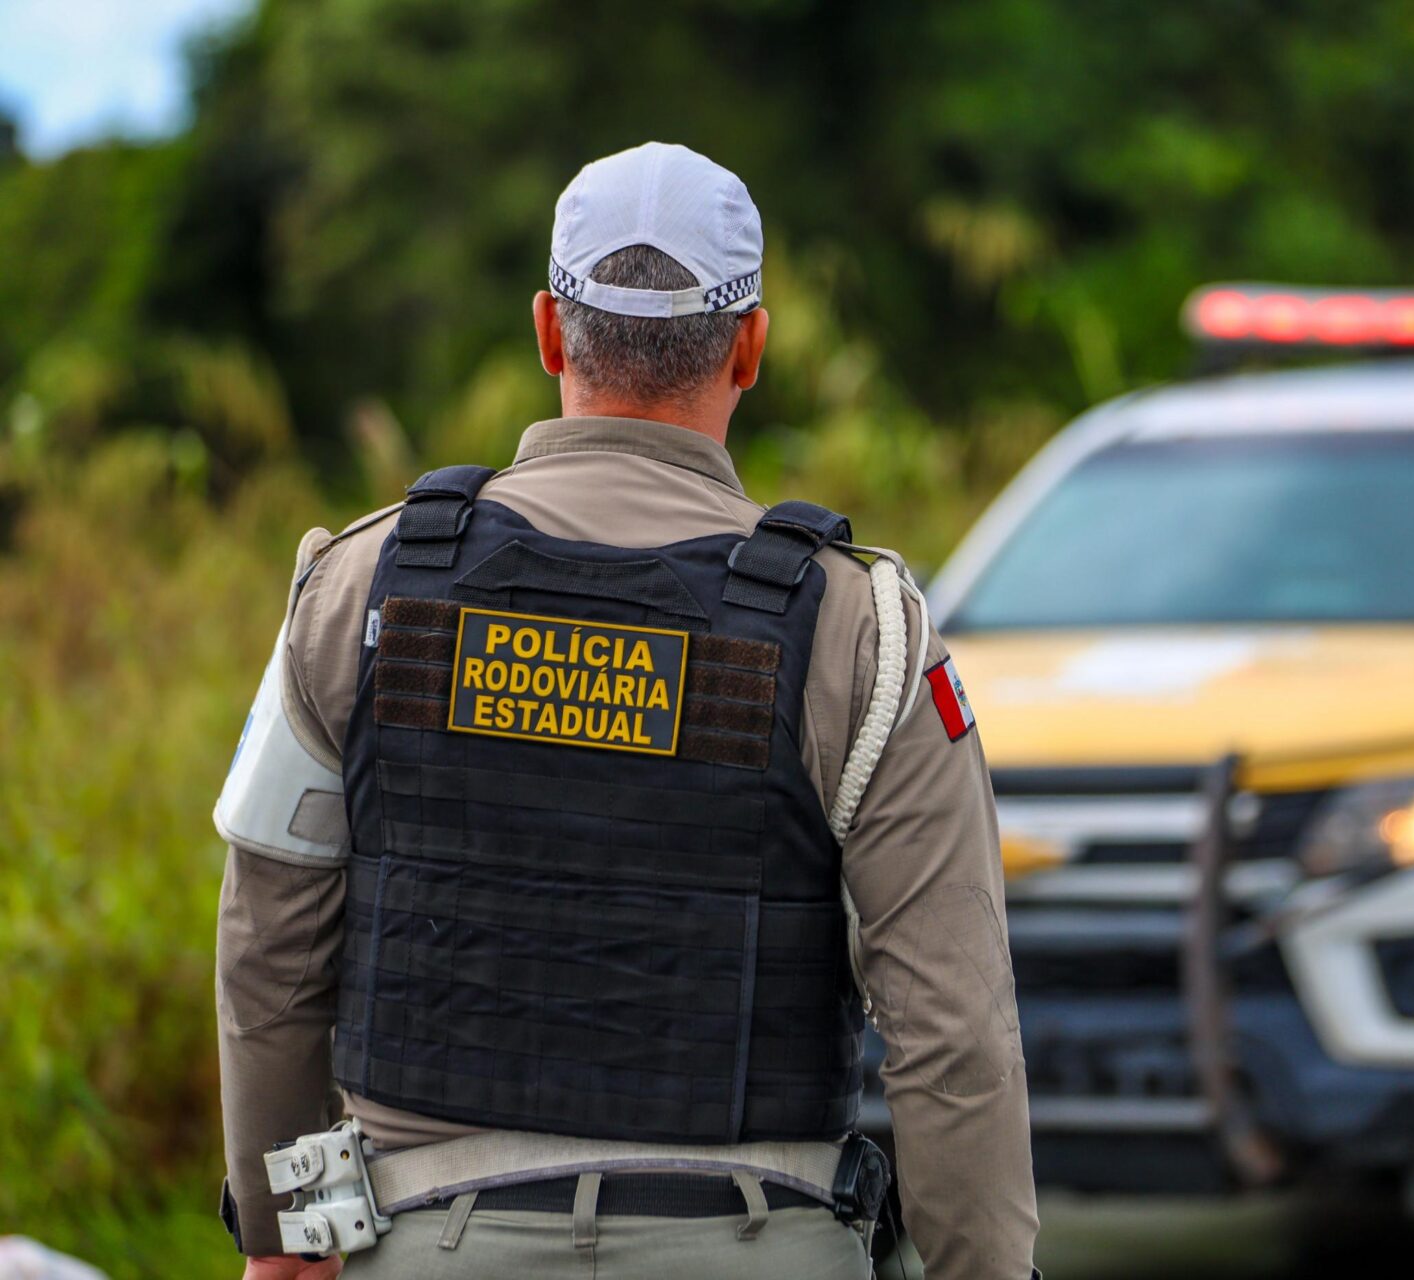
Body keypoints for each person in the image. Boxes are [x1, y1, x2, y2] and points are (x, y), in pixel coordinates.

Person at [211, 142, 1040, 1280]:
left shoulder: (356, 588)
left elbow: (268, 952)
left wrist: (280, 1232)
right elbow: (953, 1027)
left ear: (550, 331)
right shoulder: (864, 632)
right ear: (751, 346)